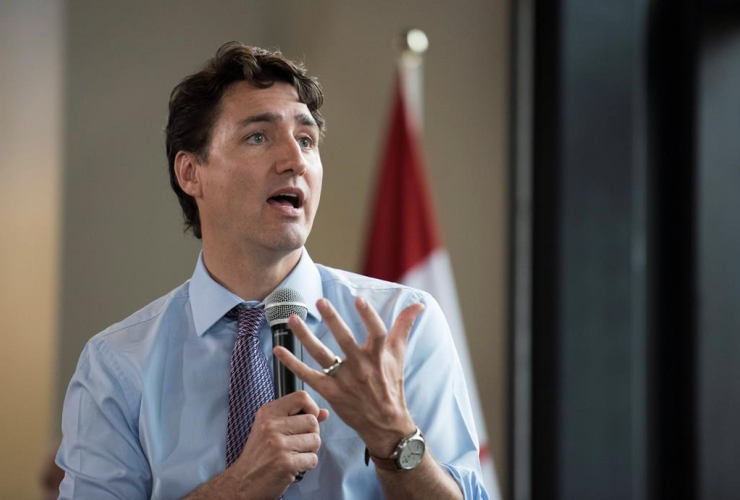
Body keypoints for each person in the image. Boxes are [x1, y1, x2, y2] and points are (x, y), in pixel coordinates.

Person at [56, 41, 489, 500]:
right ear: (190, 173)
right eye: (258, 137)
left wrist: (395, 439)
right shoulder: (117, 364)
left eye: (306, 140)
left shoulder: (399, 326)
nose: (295, 160)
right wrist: (242, 485)